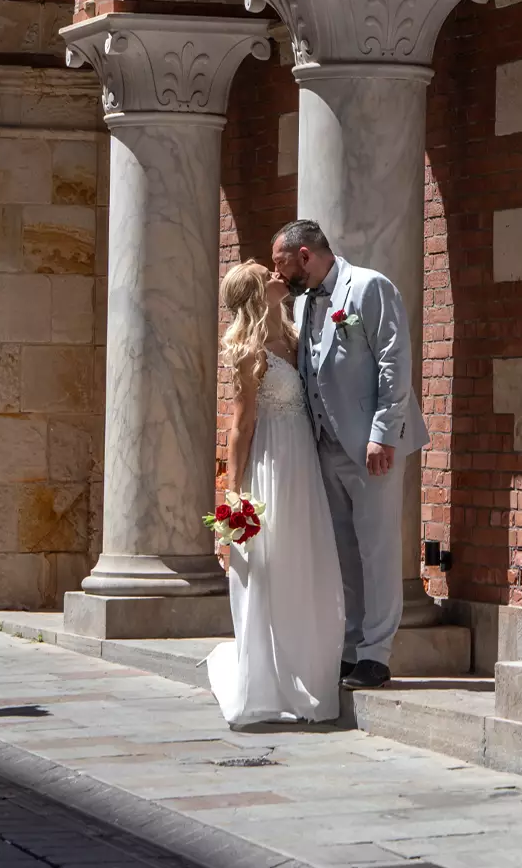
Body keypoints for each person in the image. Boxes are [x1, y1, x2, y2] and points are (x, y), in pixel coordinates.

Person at [271, 220, 429, 690]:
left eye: (280, 263)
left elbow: (394, 361)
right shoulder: (302, 302)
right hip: (324, 444)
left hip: (370, 445)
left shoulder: (369, 287)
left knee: (378, 550)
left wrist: (384, 433)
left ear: (304, 255)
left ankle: (377, 654)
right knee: (344, 552)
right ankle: (352, 645)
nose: (277, 274)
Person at [205, 260, 345, 727]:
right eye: (268, 275)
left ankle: (307, 664)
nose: (278, 276)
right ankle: (267, 678)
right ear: (254, 292)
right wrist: (233, 497)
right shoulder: (249, 351)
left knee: (307, 562)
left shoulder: (294, 336)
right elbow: (239, 428)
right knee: (272, 565)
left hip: (304, 464)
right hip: (271, 466)